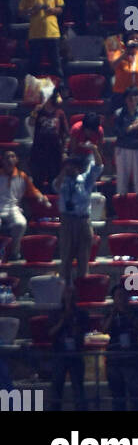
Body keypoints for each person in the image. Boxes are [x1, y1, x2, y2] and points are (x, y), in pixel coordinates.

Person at [55, 144, 103, 285]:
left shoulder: (86, 180)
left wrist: (94, 150)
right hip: (67, 221)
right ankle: (65, 294)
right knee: (66, 258)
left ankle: (82, 288)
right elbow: (56, 186)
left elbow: (99, 167)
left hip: (83, 221)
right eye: (69, 165)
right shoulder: (62, 181)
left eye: (74, 165)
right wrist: (64, 169)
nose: (71, 168)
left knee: (83, 257)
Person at [103, 282, 138, 412]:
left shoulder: (136, 311)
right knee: (118, 399)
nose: (121, 299)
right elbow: (104, 329)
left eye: (123, 296)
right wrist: (113, 314)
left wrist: (127, 313)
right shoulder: (109, 313)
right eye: (118, 296)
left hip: (131, 360)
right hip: (114, 361)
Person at [0, 148, 51, 259]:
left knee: (21, 223)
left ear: (16, 160)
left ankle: (14, 251)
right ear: (2, 160)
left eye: (12, 156)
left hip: (13, 208)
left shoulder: (22, 176)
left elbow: (33, 191)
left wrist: (42, 198)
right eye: (7, 157)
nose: (9, 159)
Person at [49, 284, 91, 412]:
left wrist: (73, 324)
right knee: (56, 388)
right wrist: (63, 320)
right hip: (60, 354)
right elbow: (51, 333)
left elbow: (84, 331)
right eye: (67, 293)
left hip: (76, 354)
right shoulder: (55, 313)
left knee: (78, 388)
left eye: (72, 293)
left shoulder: (82, 313)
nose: (69, 296)